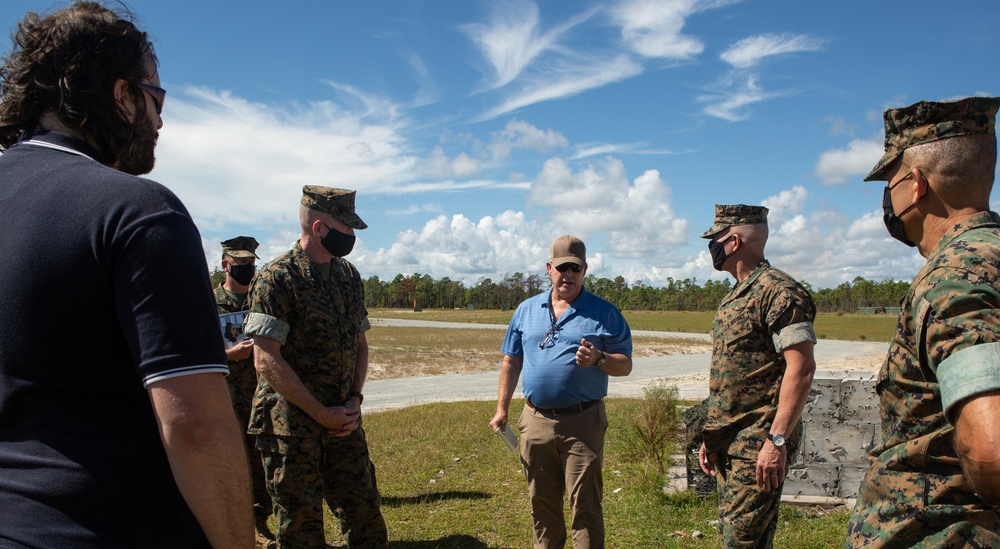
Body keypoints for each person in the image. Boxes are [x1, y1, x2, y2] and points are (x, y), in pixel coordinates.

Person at [0, 3, 252, 548]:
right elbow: (196, 427)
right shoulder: (137, 212)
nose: (160, 120)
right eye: (155, 98)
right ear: (122, 96)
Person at [845, 97, 1000, 547]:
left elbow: (990, 453)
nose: (885, 199)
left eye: (888, 182)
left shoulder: (957, 275)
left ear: (916, 184)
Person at [243, 186, 388, 548]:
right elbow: (265, 358)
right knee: (300, 526)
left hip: (343, 419)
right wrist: (320, 413)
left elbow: (359, 342)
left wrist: (354, 398)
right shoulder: (276, 278)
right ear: (320, 227)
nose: (352, 237)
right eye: (347, 228)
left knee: (365, 513)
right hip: (291, 427)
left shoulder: (348, 276)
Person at [490, 235, 633, 549]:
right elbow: (511, 360)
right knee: (542, 502)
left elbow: (625, 365)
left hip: (583, 421)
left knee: (585, 505)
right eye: (561, 267)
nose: (568, 274)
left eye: (575, 268)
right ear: (549, 268)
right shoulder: (526, 310)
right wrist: (502, 409)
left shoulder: (604, 313)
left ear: (584, 270)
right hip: (535, 420)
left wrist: (600, 359)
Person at [696, 204, 817, 548]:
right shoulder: (738, 294)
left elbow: (802, 367)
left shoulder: (779, 293)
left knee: (741, 542)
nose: (711, 247)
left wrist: (775, 441)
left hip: (757, 443)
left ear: (733, 241)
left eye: (715, 239)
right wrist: (713, 434)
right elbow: (732, 374)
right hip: (731, 442)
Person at [216, 235, 276, 544]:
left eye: (251, 264)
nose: (247, 269)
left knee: (268, 462)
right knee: (235, 465)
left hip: (265, 395)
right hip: (228, 398)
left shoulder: (262, 297)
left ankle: (266, 522)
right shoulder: (208, 303)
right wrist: (230, 355)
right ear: (225, 265)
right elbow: (195, 352)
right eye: (241, 264)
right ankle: (244, 526)